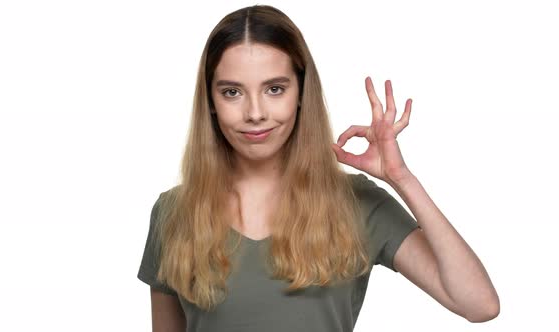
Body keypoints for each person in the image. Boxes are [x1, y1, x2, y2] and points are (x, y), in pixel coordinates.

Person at [137, 4, 499, 331]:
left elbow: (479, 305)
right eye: (232, 92)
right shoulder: (174, 212)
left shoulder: (356, 203)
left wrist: (401, 178)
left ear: (300, 94)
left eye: (275, 89)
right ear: (211, 101)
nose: (255, 112)